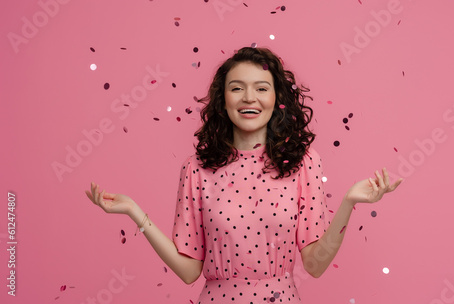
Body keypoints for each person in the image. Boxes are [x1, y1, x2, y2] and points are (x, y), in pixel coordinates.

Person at [85, 46, 403, 303]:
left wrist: (348, 202)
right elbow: (188, 270)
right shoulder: (196, 168)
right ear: (223, 100)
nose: (249, 98)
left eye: (261, 88)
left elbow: (315, 265)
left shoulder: (304, 162)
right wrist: (135, 213)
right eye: (237, 88)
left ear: (277, 99)